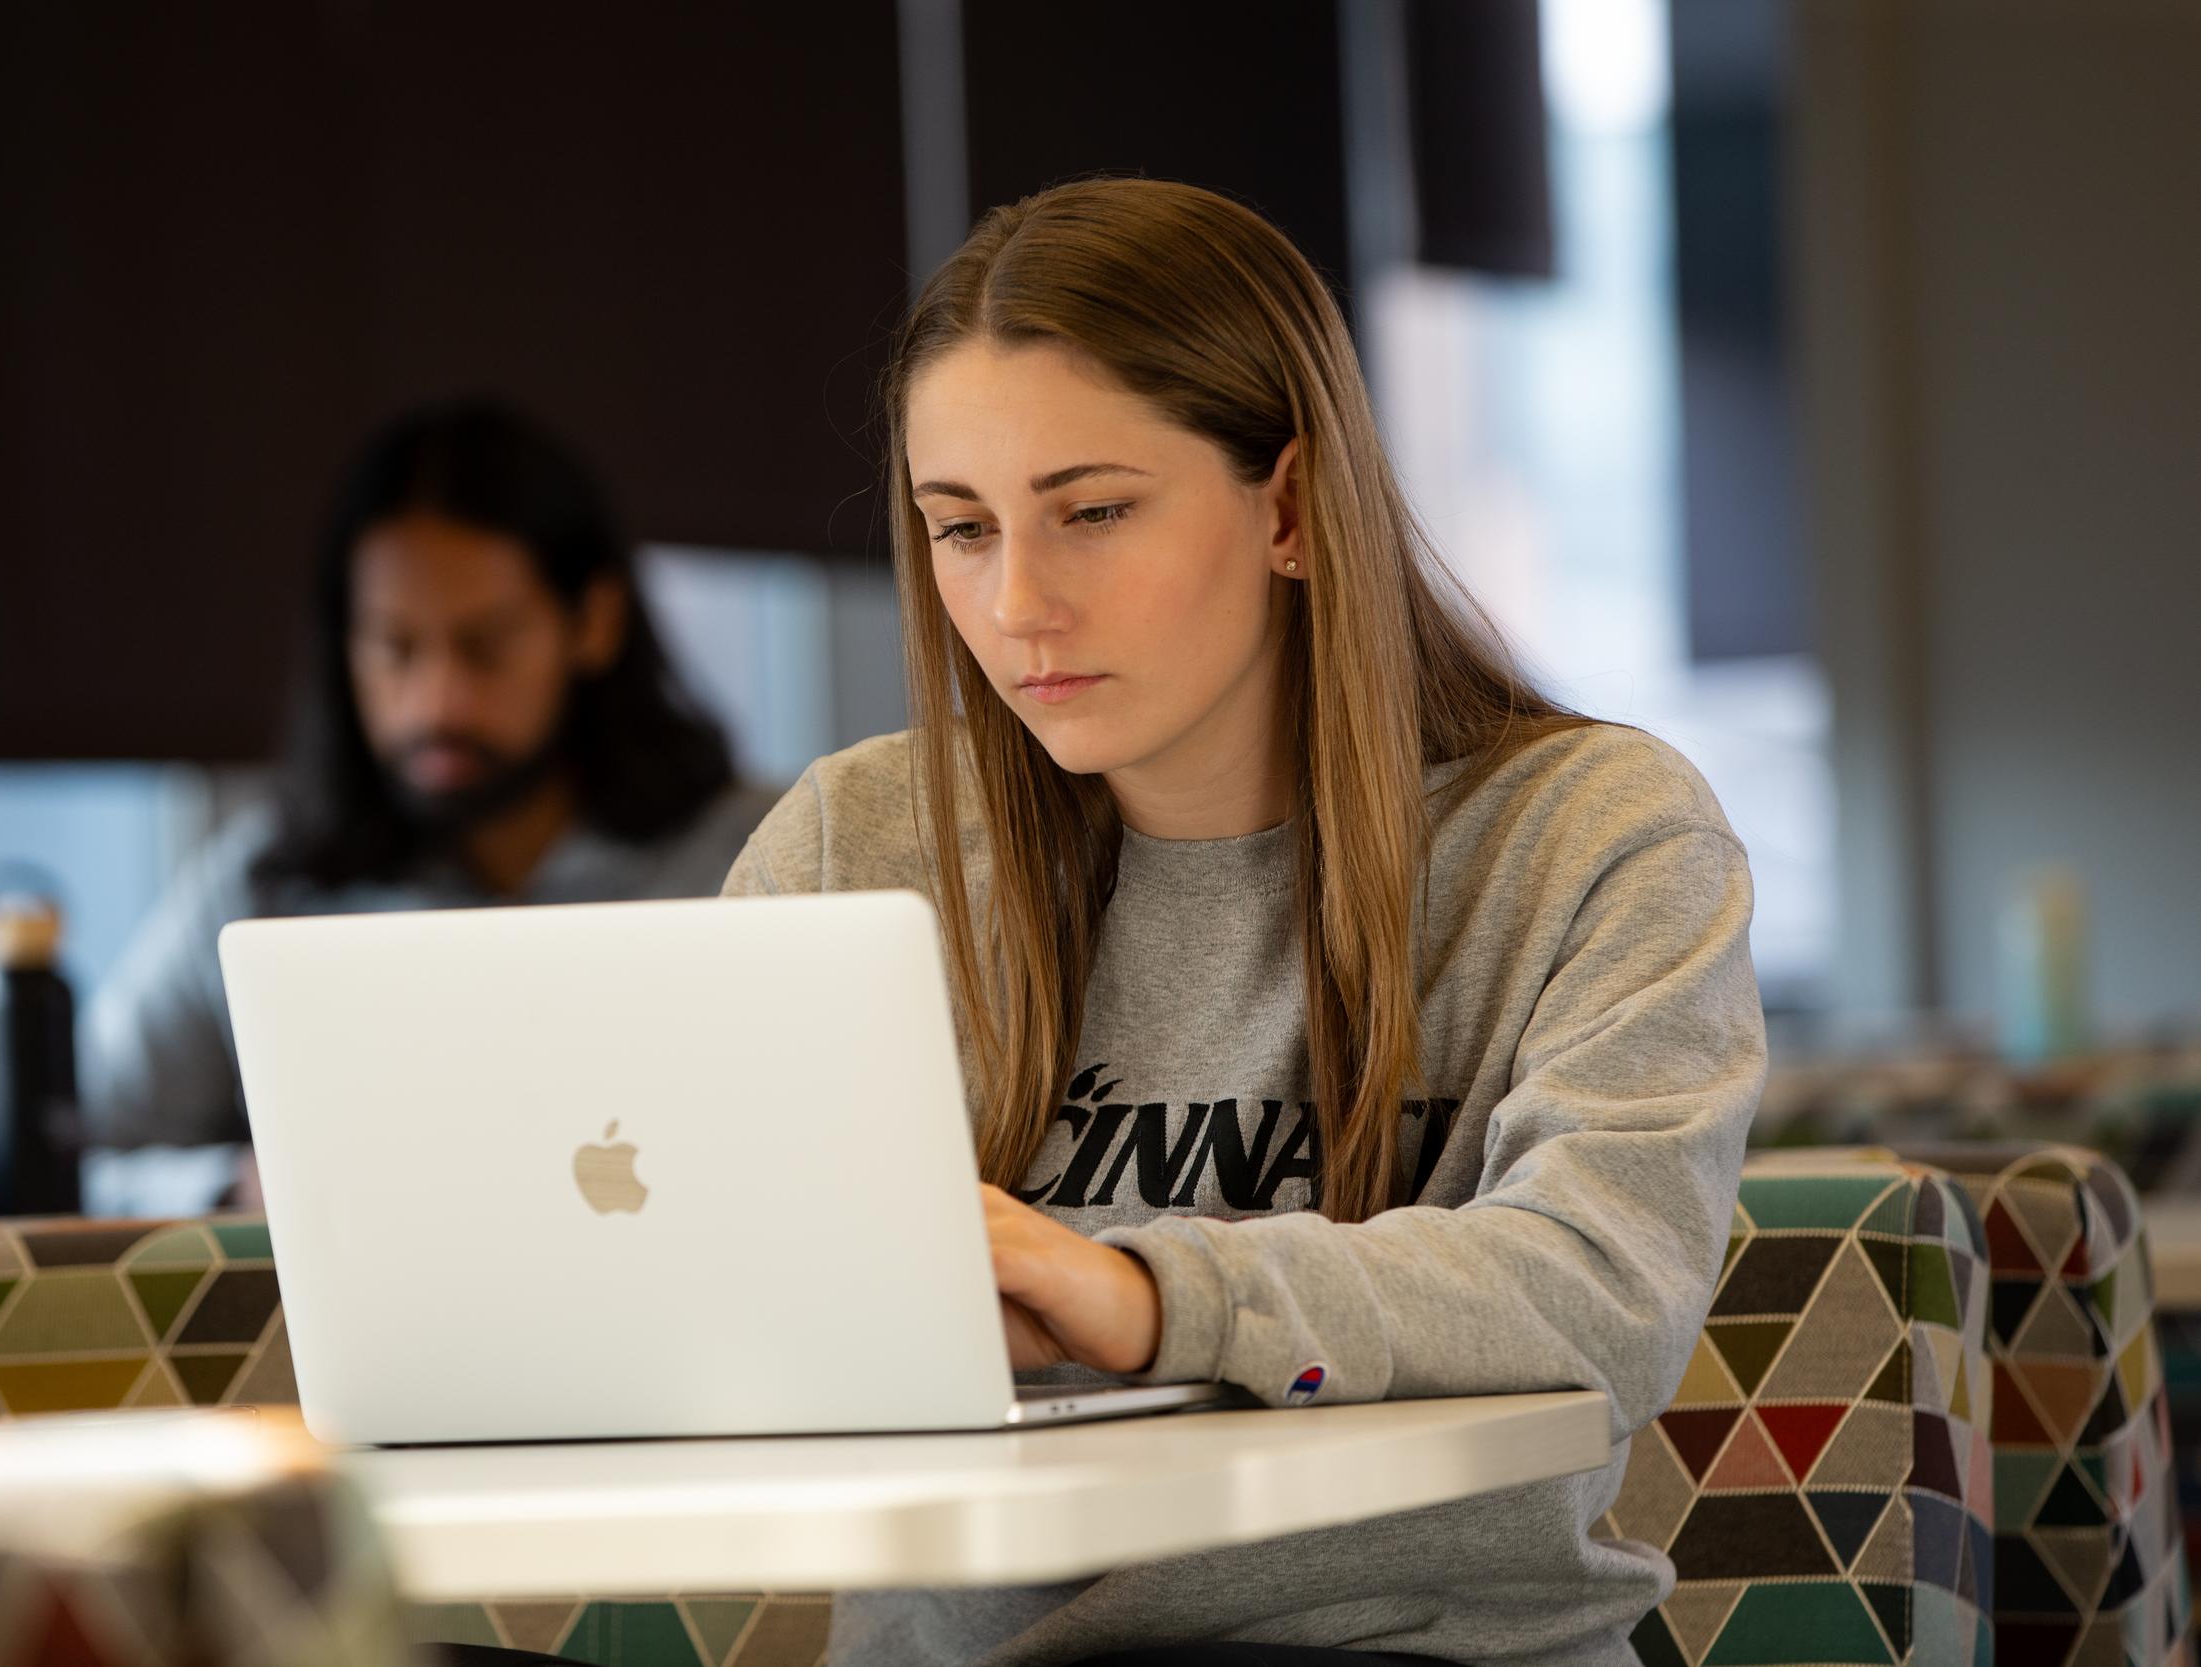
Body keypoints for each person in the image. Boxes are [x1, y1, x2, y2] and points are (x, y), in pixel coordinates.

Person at [719, 180, 1766, 1667]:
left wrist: (1144, 1292)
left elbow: (1601, 1295)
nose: (1018, 602)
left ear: (1286, 506)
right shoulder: (851, 844)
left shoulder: (1589, 833)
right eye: (962, 529)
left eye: (1092, 512)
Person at [81, 399, 775, 1177]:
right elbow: (95, 1151)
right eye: (395, 648)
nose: (437, 702)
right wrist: (230, 1191)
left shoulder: (766, 854)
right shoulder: (263, 883)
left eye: (485, 647)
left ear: (595, 621)